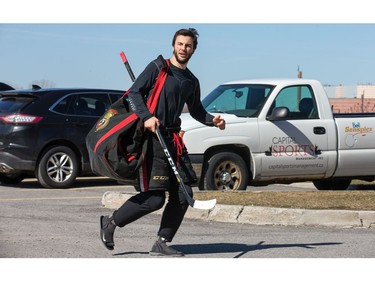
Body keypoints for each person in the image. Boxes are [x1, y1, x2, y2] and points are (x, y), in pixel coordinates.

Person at [100, 28, 225, 257]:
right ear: (173, 45)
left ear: (194, 50)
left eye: (188, 45)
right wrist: (147, 117)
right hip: (152, 139)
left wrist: (212, 120)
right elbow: (134, 93)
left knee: (183, 194)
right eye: (179, 44)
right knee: (155, 199)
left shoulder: (191, 81)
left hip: (174, 139)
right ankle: (110, 222)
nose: (183, 48)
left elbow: (197, 110)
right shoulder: (158, 68)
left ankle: (162, 242)